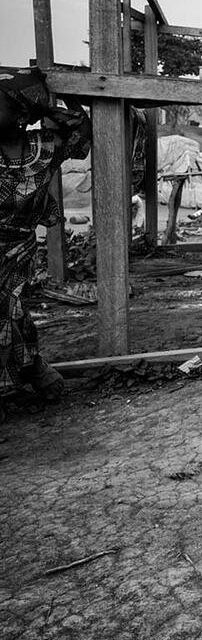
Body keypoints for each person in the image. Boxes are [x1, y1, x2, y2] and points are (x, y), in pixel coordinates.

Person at [0, 70, 89, 421]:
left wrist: (54, 103)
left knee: (7, 307)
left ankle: (25, 374)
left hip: (16, 247)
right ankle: (35, 368)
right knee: (8, 308)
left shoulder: (44, 147)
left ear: (22, 116)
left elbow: (81, 131)